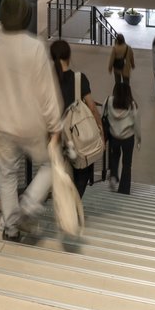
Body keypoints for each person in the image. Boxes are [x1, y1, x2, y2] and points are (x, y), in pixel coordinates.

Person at [0, 0, 62, 241]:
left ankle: (11, 228)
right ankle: (29, 206)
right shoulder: (35, 47)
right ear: (26, 16)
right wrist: (55, 127)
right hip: (32, 125)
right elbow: (47, 93)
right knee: (50, 164)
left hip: (2, 123)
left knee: (7, 174)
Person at [50, 39, 105, 198]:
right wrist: (101, 131)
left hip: (57, 138)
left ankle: (64, 204)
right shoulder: (79, 79)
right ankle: (73, 205)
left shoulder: (49, 81)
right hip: (76, 138)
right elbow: (93, 108)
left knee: (62, 172)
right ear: (69, 56)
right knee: (83, 170)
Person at [103, 80, 141, 194]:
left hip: (114, 137)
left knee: (114, 157)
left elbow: (103, 115)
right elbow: (137, 123)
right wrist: (139, 139)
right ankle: (124, 190)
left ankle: (113, 176)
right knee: (127, 164)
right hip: (128, 138)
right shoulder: (132, 105)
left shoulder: (108, 101)